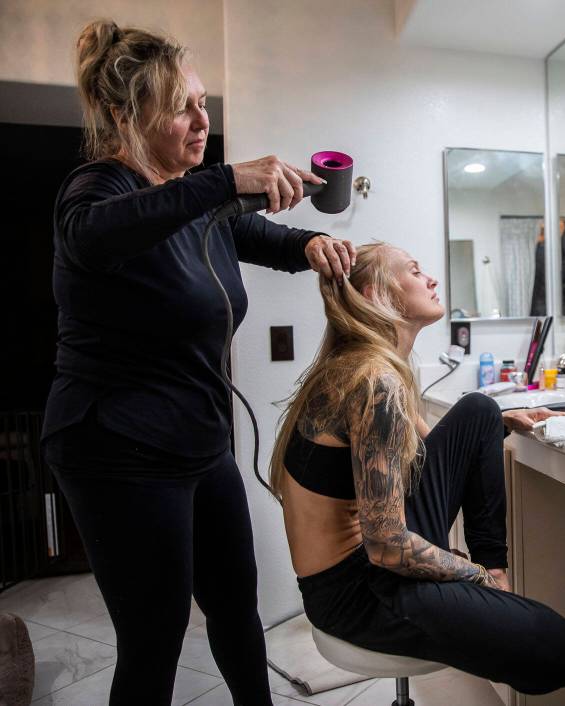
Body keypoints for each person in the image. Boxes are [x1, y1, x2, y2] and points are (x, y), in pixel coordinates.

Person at [40, 21, 357, 705]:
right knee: (153, 637)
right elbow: (94, 236)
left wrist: (312, 244)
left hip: (200, 442)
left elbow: (260, 234)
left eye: (203, 103)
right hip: (116, 445)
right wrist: (224, 180)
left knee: (237, 609)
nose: (201, 119)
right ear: (125, 116)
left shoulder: (195, 202)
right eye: (180, 106)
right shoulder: (97, 191)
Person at [269, 242, 565, 695]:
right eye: (415, 271)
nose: (431, 279)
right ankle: (494, 580)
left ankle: (496, 571)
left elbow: (433, 450)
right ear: (377, 294)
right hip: (358, 592)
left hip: (358, 568)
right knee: (561, 649)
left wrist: (501, 422)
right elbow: (387, 546)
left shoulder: (369, 365)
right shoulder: (374, 383)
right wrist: (474, 577)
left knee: (479, 409)